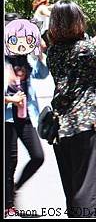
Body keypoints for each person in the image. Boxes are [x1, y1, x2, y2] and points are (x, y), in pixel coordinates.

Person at [47, 0, 96, 218]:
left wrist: (92, 45)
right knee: (86, 189)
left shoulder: (53, 52)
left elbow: (74, 54)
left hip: (60, 126)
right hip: (84, 126)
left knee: (71, 191)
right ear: (77, 22)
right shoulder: (87, 49)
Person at [4, 19, 48, 217]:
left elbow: (42, 74)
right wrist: (10, 99)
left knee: (38, 156)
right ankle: (8, 205)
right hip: (7, 117)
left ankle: (14, 189)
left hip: (25, 115)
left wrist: (39, 54)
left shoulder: (26, 57)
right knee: (9, 163)